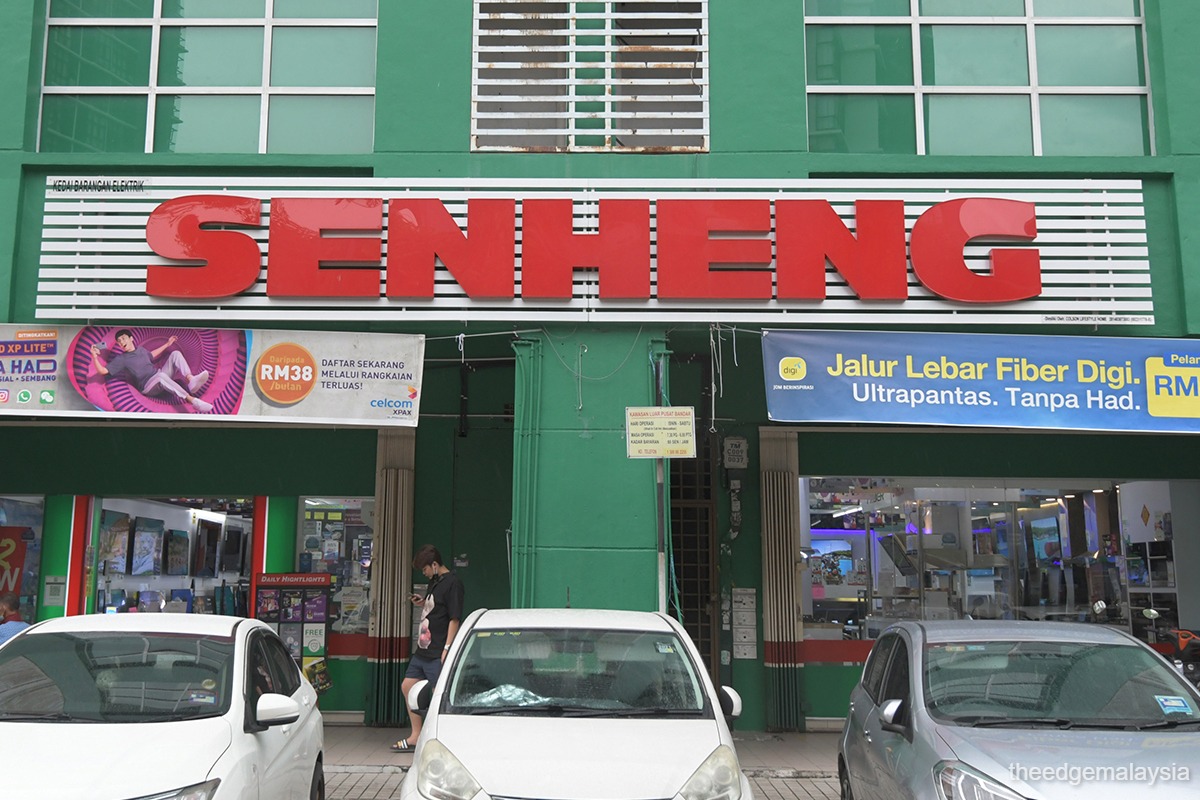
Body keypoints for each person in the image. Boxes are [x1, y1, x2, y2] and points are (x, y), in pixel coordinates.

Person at [392, 544, 464, 752]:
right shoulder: (435, 581)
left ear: (434, 564)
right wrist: (423, 603)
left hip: (437, 649)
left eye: (424, 569)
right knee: (407, 686)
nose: (423, 573)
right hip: (423, 649)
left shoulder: (453, 584)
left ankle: (438, 738)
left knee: (437, 693)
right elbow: (436, 608)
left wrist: (447, 648)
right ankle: (416, 735)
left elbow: (454, 618)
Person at [91, 329, 213, 413]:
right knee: (160, 376)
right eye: (119, 341)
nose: (122, 342)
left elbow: (151, 355)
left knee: (175, 354)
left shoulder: (141, 350)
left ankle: (191, 380)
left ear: (131, 338)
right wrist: (95, 357)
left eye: (123, 338)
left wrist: (167, 344)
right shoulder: (121, 359)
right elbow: (103, 371)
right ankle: (193, 401)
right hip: (147, 387)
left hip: (159, 376)